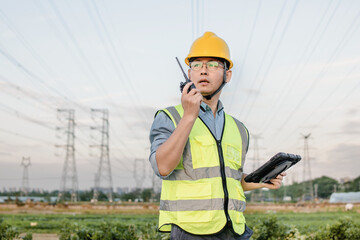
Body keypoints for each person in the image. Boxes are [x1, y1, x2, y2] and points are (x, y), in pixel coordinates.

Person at [149, 32, 286, 240]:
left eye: (213, 64)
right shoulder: (170, 117)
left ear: (227, 75)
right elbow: (162, 167)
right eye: (197, 65)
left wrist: (259, 181)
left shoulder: (238, 129)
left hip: (235, 231)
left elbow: (227, 180)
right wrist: (189, 117)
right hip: (191, 233)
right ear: (189, 74)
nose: (204, 70)